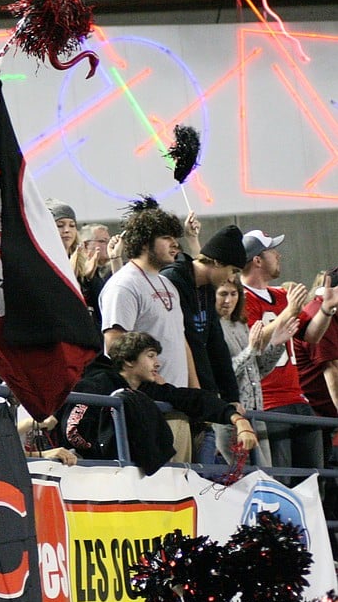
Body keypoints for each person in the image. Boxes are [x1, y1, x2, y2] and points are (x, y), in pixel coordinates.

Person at [61, 332, 258, 474]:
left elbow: (193, 398)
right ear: (129, 360)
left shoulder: (148, 389)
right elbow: (73, 430)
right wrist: (106, 452)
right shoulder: (97, 383)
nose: (158, 363)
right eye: (150, 356)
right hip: (91, 470)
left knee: (179, 417)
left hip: (127, 472)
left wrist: (237, 419)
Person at [97, 199, 197, 461]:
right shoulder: (123, 285)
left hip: (176, 407)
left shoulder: (168, 284)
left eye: (175, 237)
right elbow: (115, 344)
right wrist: (152, 378)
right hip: (148, 410)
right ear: (143, 243)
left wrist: (194, 391)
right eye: (166, 237)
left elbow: (180, 339)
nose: (176, 244)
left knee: (182, 496)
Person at [240, 229, 338, 477]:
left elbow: (310, 336)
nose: (279, 255)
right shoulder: (241, 298)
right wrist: (289, 312)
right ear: (257, 260)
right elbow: (256, 343)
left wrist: (325, 310)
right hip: (268, 403)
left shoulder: (281, 295)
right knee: (282, 480)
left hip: (297, 398)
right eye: (272, 250)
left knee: (315, 480)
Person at [161, 224, 247, 462]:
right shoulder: (174, 280)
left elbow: (215, 345)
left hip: (200, 399)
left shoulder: (207, 289)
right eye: (232, 270)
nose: (231, 279)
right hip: (179, 395)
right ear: (217, 263)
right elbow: (187, 341)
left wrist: (231, 396)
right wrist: (204, 396)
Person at [215, 275, 295, 467]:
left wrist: (276, 345)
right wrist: (250, 350)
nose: (228, 300)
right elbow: (224, 376)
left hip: (256, 415)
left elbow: (256, 373)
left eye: (233, 294)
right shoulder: (213, 328)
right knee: (249, 478)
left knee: (266, 476)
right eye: (222, 294)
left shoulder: (240, 324)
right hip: (231, 418)